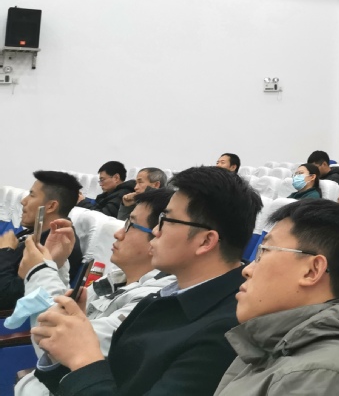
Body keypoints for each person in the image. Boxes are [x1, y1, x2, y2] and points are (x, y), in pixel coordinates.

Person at [32, 166, 263, 396]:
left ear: (205, 241)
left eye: (166, 220)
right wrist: (64, 348)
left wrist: (83, 359)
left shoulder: (226, 331)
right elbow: (112, 375)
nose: (155, 231)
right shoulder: (165, 296)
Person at [214, 200, 339, 396]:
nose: (247, 270)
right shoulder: (273, 343)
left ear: (312, 270)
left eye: (264, 251)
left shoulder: (323, 376)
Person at [16, 189, 176, 396]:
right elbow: (66, 313)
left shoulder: (155, 301)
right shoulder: (115, 279)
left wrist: (39, 270)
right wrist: (57, 263)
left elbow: (56, 340)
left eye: (130, 225)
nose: (118, 234)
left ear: (159, 237)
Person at [0, 171, 85, 309]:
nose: (23, 201)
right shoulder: (36, 232)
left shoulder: (58, 246)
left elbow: (6, 297)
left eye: (32, 195)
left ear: (51, 206)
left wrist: (6, 251)